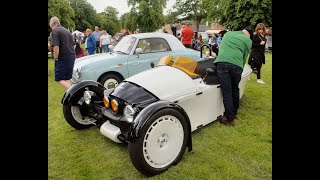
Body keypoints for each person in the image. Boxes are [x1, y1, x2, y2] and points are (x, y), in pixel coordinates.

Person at [214, 27, 253, 126]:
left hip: (222, 63)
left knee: (227, 92)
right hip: (237, 66)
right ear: (248, 34)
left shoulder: (228, 34)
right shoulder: (248, 40)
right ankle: (234, 113)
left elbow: (222, 49)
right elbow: (244, 58)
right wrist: (240, 68)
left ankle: (229, 119)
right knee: (235, 88)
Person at [49, 16, 76, 90]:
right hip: (71, 56)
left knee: (59, 79)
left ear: (52, 24)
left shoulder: (55, 31)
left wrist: (56, 57)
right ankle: (70, 97)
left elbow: (56, 47)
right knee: (67, 78)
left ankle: (73, 92)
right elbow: (74, 45)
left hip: (63, 57)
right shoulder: (67, 31)